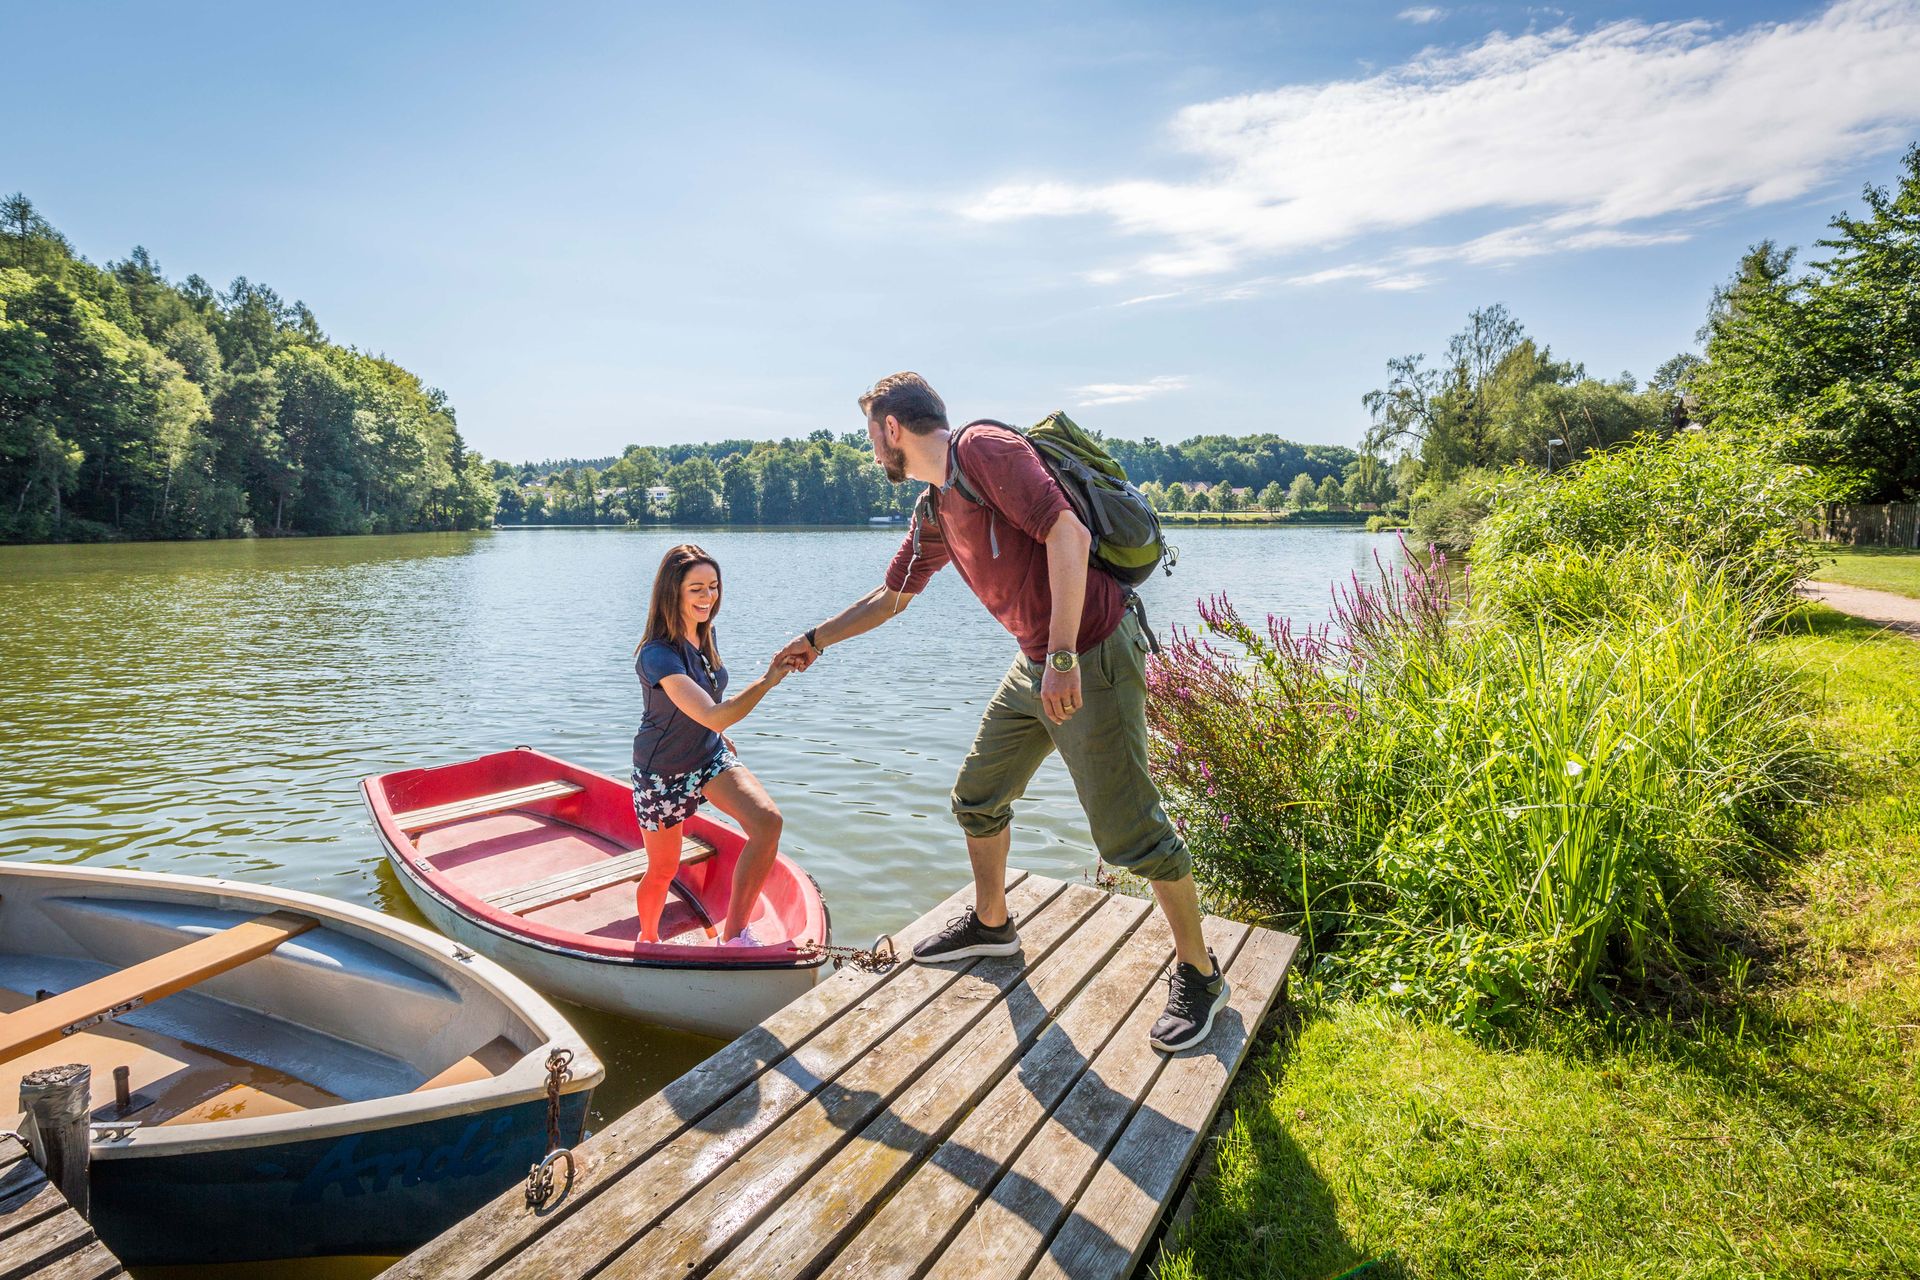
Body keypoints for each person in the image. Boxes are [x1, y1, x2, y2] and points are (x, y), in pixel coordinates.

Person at [777, 373, 1229, 1052]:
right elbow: (893, 594)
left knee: (1128, 832)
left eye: (872, 436)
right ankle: (992, 926)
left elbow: (1068, 536)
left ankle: (1201, 974)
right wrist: (817, 640)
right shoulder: (935, 506)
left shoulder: (984, 449)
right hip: (1037, 661)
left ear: (893, 428)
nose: (872, 452)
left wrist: (1066, 656)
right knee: (977, 796)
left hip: (1091, 653)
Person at [632, 543, 791, 946]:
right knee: (663, 869)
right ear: (673, 593)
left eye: (713, 587)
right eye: (696, 589)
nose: (708, 598)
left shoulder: (705, 634)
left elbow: (709, 706)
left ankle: (734, 936)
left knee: (767, 822)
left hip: (707, 754)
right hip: (663, 772)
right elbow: (716, 712)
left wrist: (718, 735)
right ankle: (647, 940)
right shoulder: (657, 655)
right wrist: (769, 679)